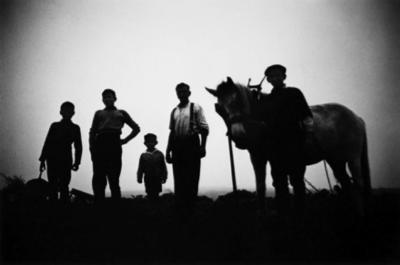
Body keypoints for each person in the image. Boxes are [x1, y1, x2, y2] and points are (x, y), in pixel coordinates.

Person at [264, 64, 313, 214]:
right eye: (272, 76)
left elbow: (307, 116)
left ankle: (300, 215)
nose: (275, 78)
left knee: (297, 180)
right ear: (268, 80)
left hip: (294, 143)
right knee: (279, 182)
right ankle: (283, 215)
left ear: (284, 77)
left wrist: (308, 135)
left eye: (278, 75)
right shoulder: (266, 99)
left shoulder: (294, 93)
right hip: (275, 147)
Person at [89, 89, 140, 201]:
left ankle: (116, 206)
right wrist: (92, 149)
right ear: (102, 100)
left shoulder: (121, 113)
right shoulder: (98, 113)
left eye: (109, 96)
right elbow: (92, 132)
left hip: (114, 144)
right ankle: (99, 204)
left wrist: (125, 140)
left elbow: (136, 129)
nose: (107, 99)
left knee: (114, 177)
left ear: (114, 98)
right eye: (105, 97)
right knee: (98, 177)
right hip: (100, 145)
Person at [166, 82, 209, 212]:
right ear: (176, 94)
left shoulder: (196, 107)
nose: (181, 94)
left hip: (192, 144)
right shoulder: (174, 111)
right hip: (177, 146)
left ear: (189, 93)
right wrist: (168, 151)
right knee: (178, 179)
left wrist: (203, 146)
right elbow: (172, 132)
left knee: (192, 178)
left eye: (184, 91)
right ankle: (180, 209)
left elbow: (204, 129)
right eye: (179, 92)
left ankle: (191, 208)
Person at [39, 101, 82, 202]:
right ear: (61, 112)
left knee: (62, 185)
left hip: (62, 159)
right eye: (65, 111)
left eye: (69, 111)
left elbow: (78, 146)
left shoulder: (74, 128)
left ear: (73, 113)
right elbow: (48, 143)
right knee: (56, 185)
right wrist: (42, 160)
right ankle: (59, 210)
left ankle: (60, 211)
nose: (67, 113)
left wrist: (77, 162)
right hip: (55, 158)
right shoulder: (56, 126)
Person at [137, 133, 168, 200]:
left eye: (152, 142)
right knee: (149, 191)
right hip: (148, 177)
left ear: (155, 143)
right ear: (145, 143)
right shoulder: (143, 155)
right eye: (148, 142)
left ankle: (156, 206)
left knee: (156, 192)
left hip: (157, 177)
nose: (150, 144)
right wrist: (139, 177)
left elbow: (163, 166)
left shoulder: (160, 154)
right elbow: (140, 168)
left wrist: (164, 177)